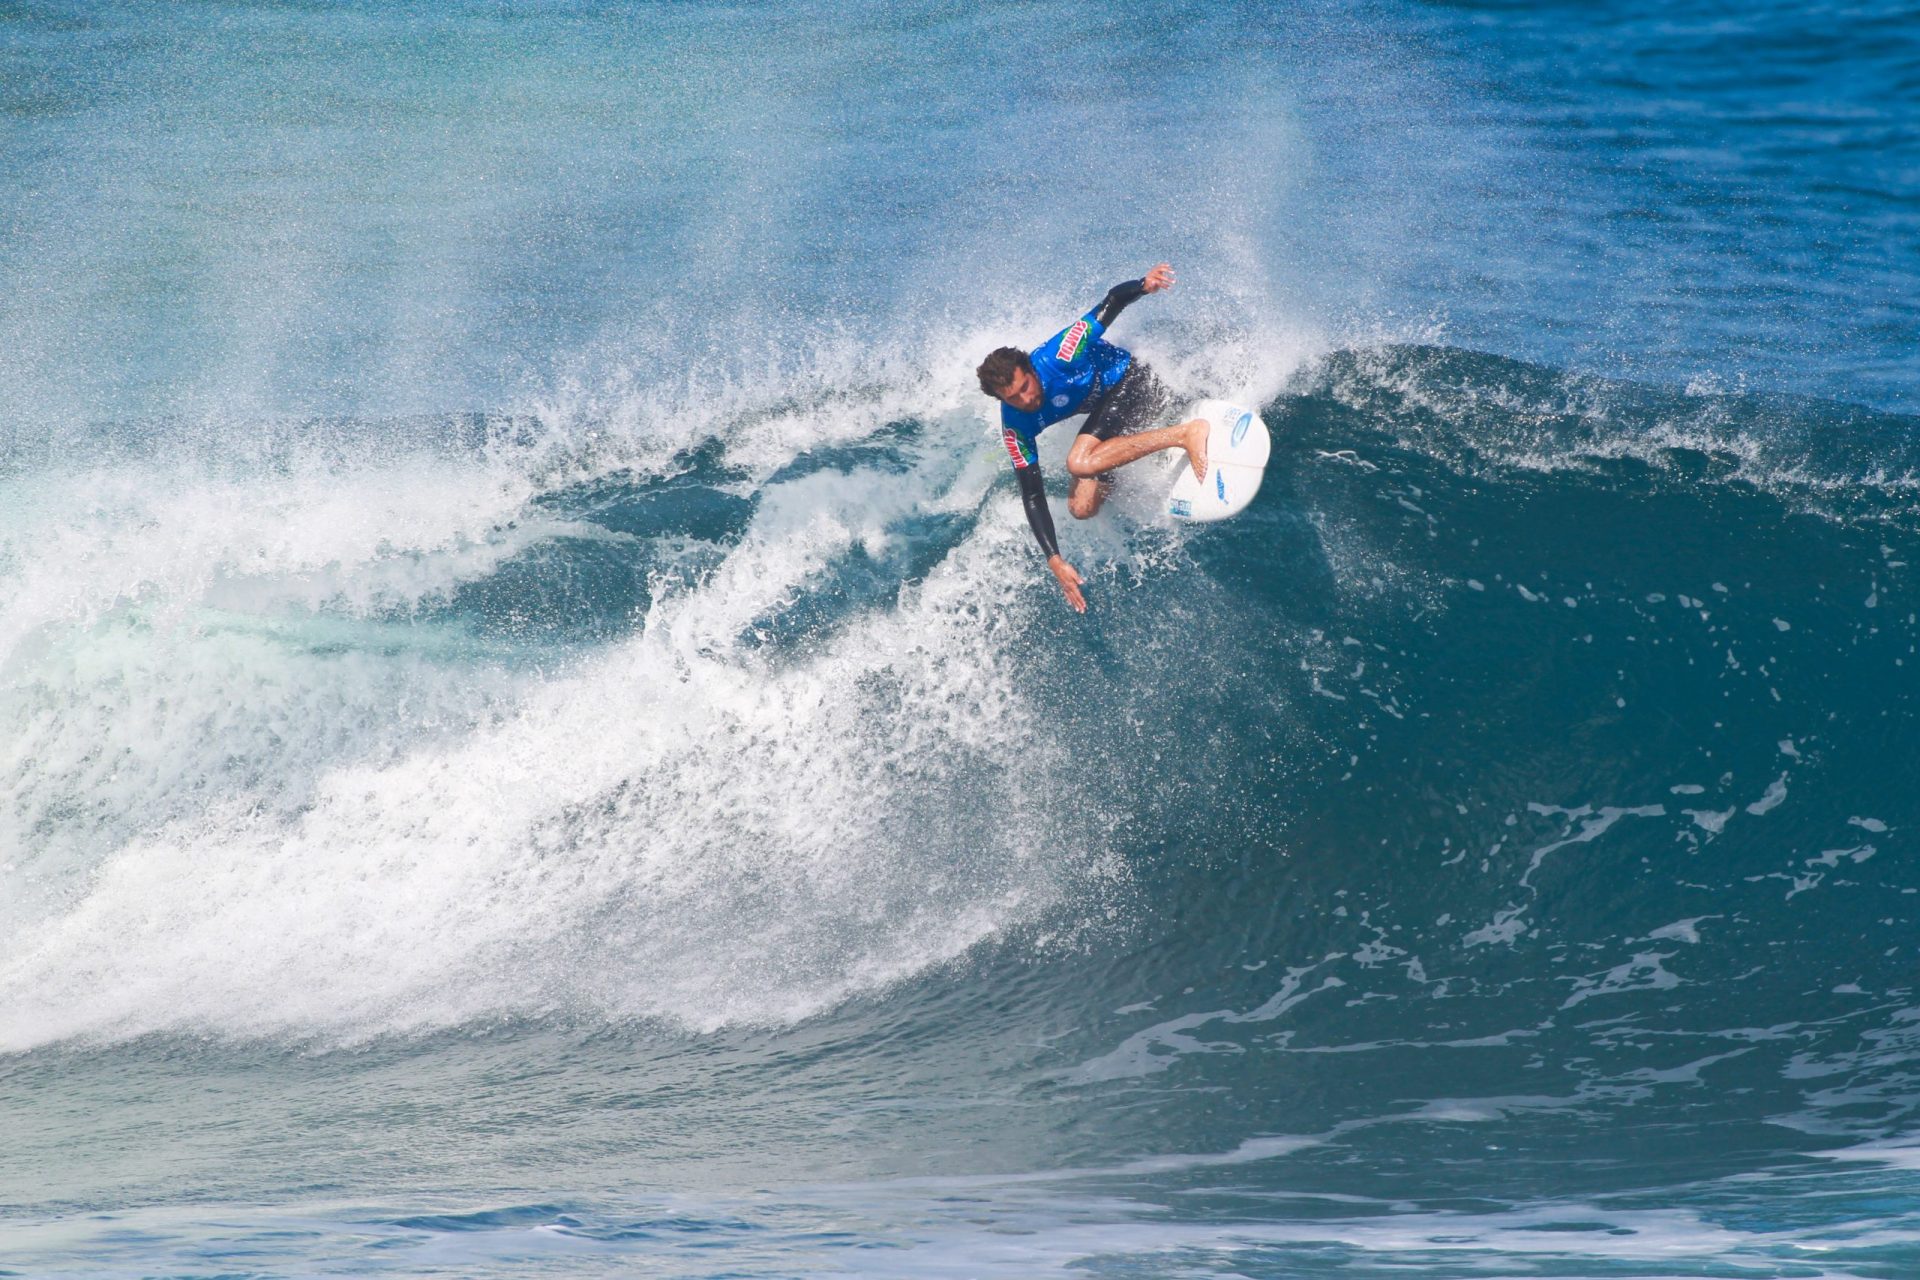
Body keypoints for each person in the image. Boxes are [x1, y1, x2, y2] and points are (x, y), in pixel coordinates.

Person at [976, 262, 1207, 612]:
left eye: (1026, 387)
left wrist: (1144, 285)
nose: (1027, 399)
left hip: (1135, 382)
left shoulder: (1059, 354)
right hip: (1106, 413)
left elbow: (1111, 302)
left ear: (1031, 369)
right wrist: (1054, 558)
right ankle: (1120, 461)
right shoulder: (1015, 426)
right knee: (1081, 508)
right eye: (1013, 398)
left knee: (1079, 461)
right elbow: (1033, 494)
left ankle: (1185, 433)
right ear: (1001, 401)